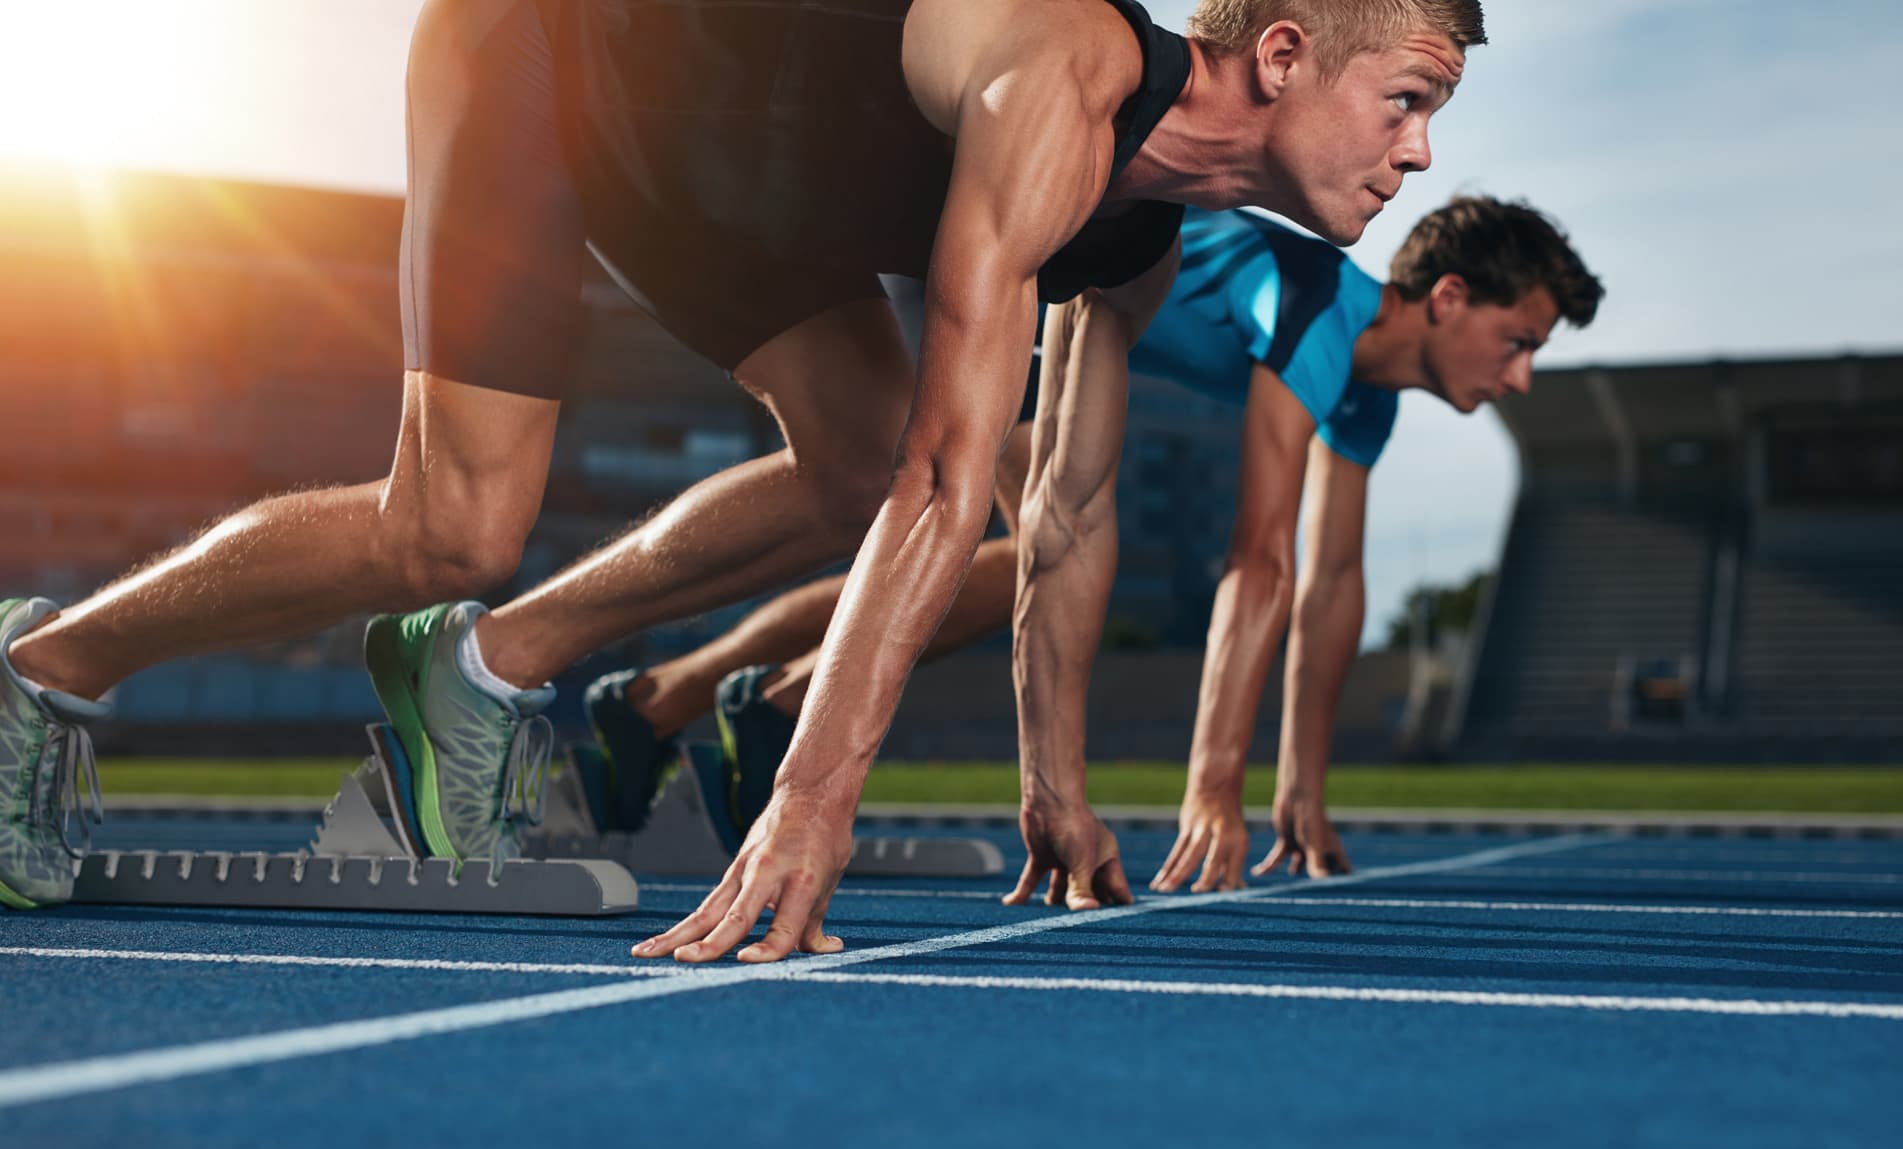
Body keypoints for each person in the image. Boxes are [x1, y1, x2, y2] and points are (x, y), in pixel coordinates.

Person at [0, 0, 1486, 934]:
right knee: (451, 525)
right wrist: (814, 795)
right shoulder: (1060, 73)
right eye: (1406, 101)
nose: (1420, 156)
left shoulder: (1137, 238)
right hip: (559, 57)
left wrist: (1057, 784)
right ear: (1282, 54)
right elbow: (943, 475)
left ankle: (483, 675)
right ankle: (43, 669)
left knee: (849, 467)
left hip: (738, 201)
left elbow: (1066, 511)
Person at [589, 197, 1603, 899]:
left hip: (1067, 342)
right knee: (1029, 550)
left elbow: (1332, 582)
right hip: (1022, 292)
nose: (1520, 378)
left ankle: (699, 697)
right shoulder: (1316, 309)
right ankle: (716, 697)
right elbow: (1260, 559)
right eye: (1522, 341)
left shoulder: (1366, 400)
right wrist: (1213, 785)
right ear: (1451, 297)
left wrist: (1300, 788)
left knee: (999, 571)